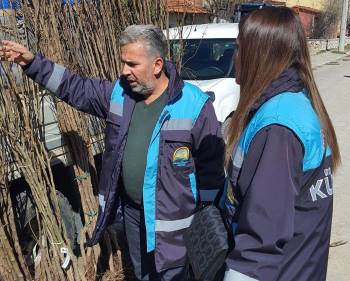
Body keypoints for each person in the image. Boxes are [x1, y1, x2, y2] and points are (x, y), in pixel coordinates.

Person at [0, 25, 225, 280]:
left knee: (172, 275)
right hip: (133, 214)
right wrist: (32, 64)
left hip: (174, 225)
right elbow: (75, 87)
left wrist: (205, 219)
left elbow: (212, 170)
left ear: (157, 65)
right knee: (143, 273)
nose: (124, 71)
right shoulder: (121, 95)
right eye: (122, 62)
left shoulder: (194, 105)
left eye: (131, 64)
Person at [222, 7, 341, 281]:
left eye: (239, 48)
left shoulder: (278, 127)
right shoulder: (294, 101)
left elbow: (259, 247)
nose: (234, 57)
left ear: (258, 53)